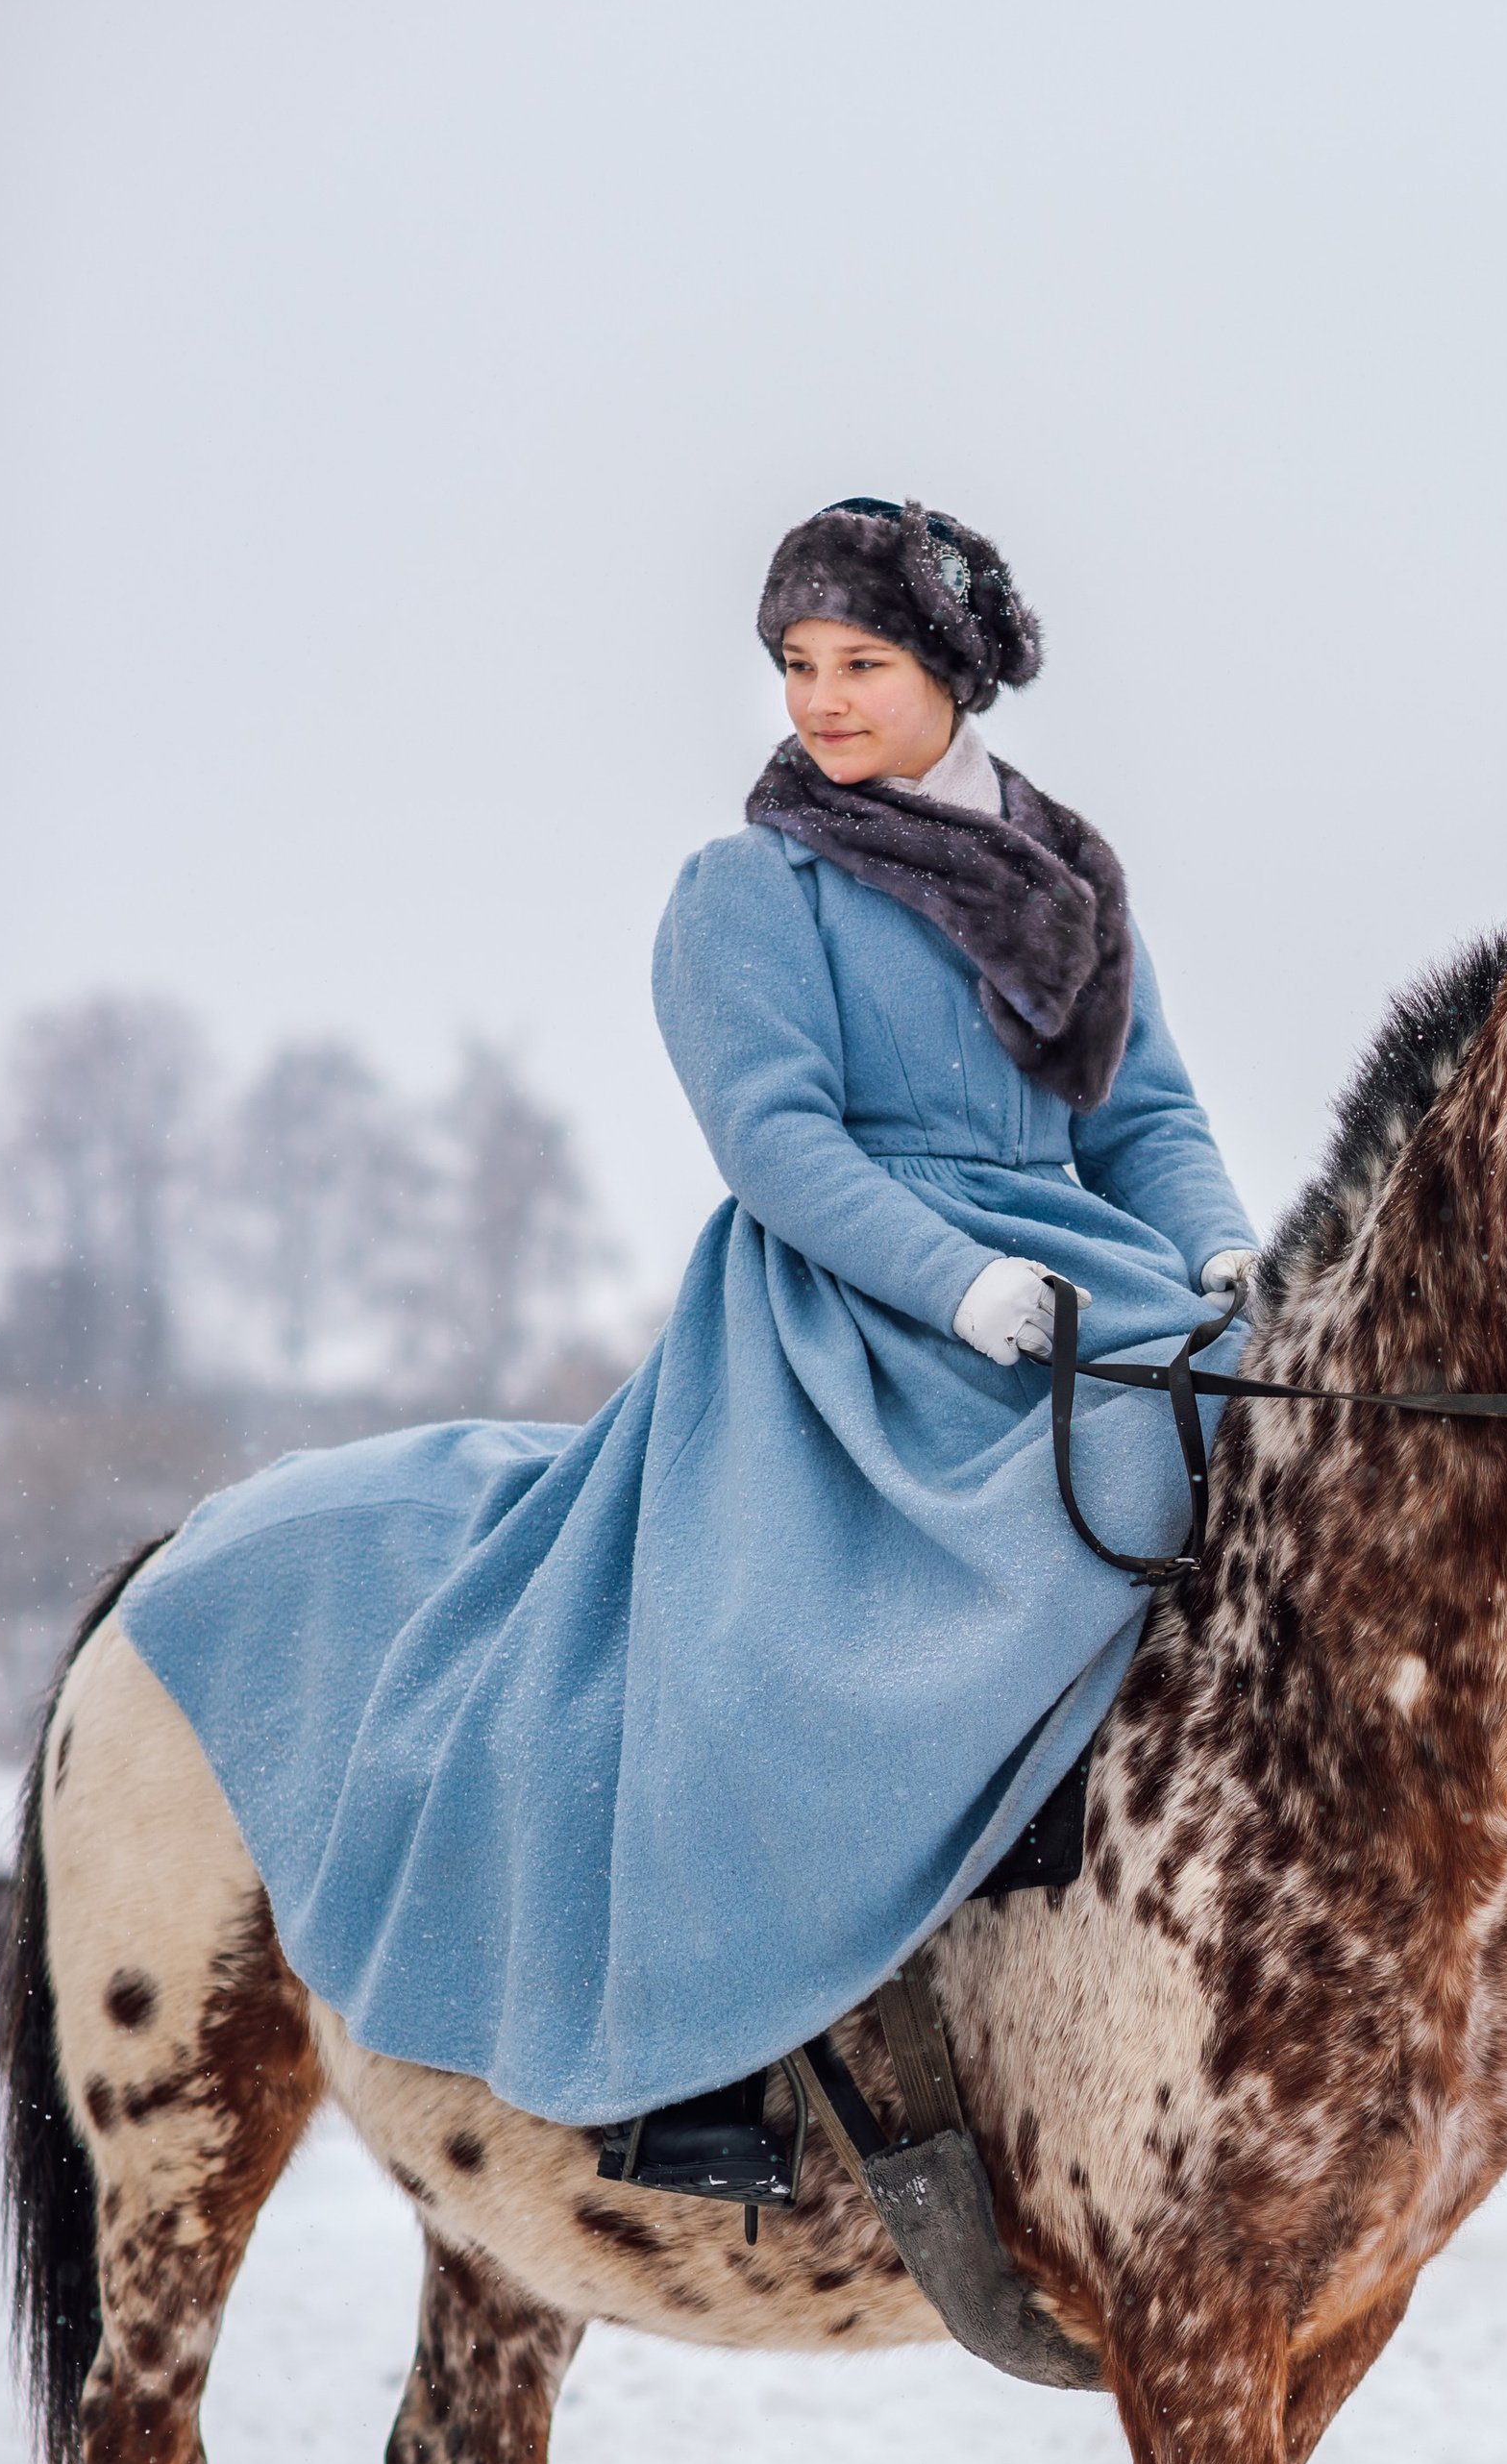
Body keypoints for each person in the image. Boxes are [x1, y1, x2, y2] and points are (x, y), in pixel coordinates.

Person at [121, 499, 1259, 2129]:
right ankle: (710, 2051)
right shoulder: (754, 887)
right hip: (854, 1309)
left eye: (860, 663)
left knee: (1261, 1440)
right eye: (798, 663)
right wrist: (958, 1281)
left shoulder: (1069, 883)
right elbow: (775, 1139)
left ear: (952, 675)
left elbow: (1146, 1117)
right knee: (754, 1654)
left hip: (1081, 1274)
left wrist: (1218, 1252)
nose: (820, 699)